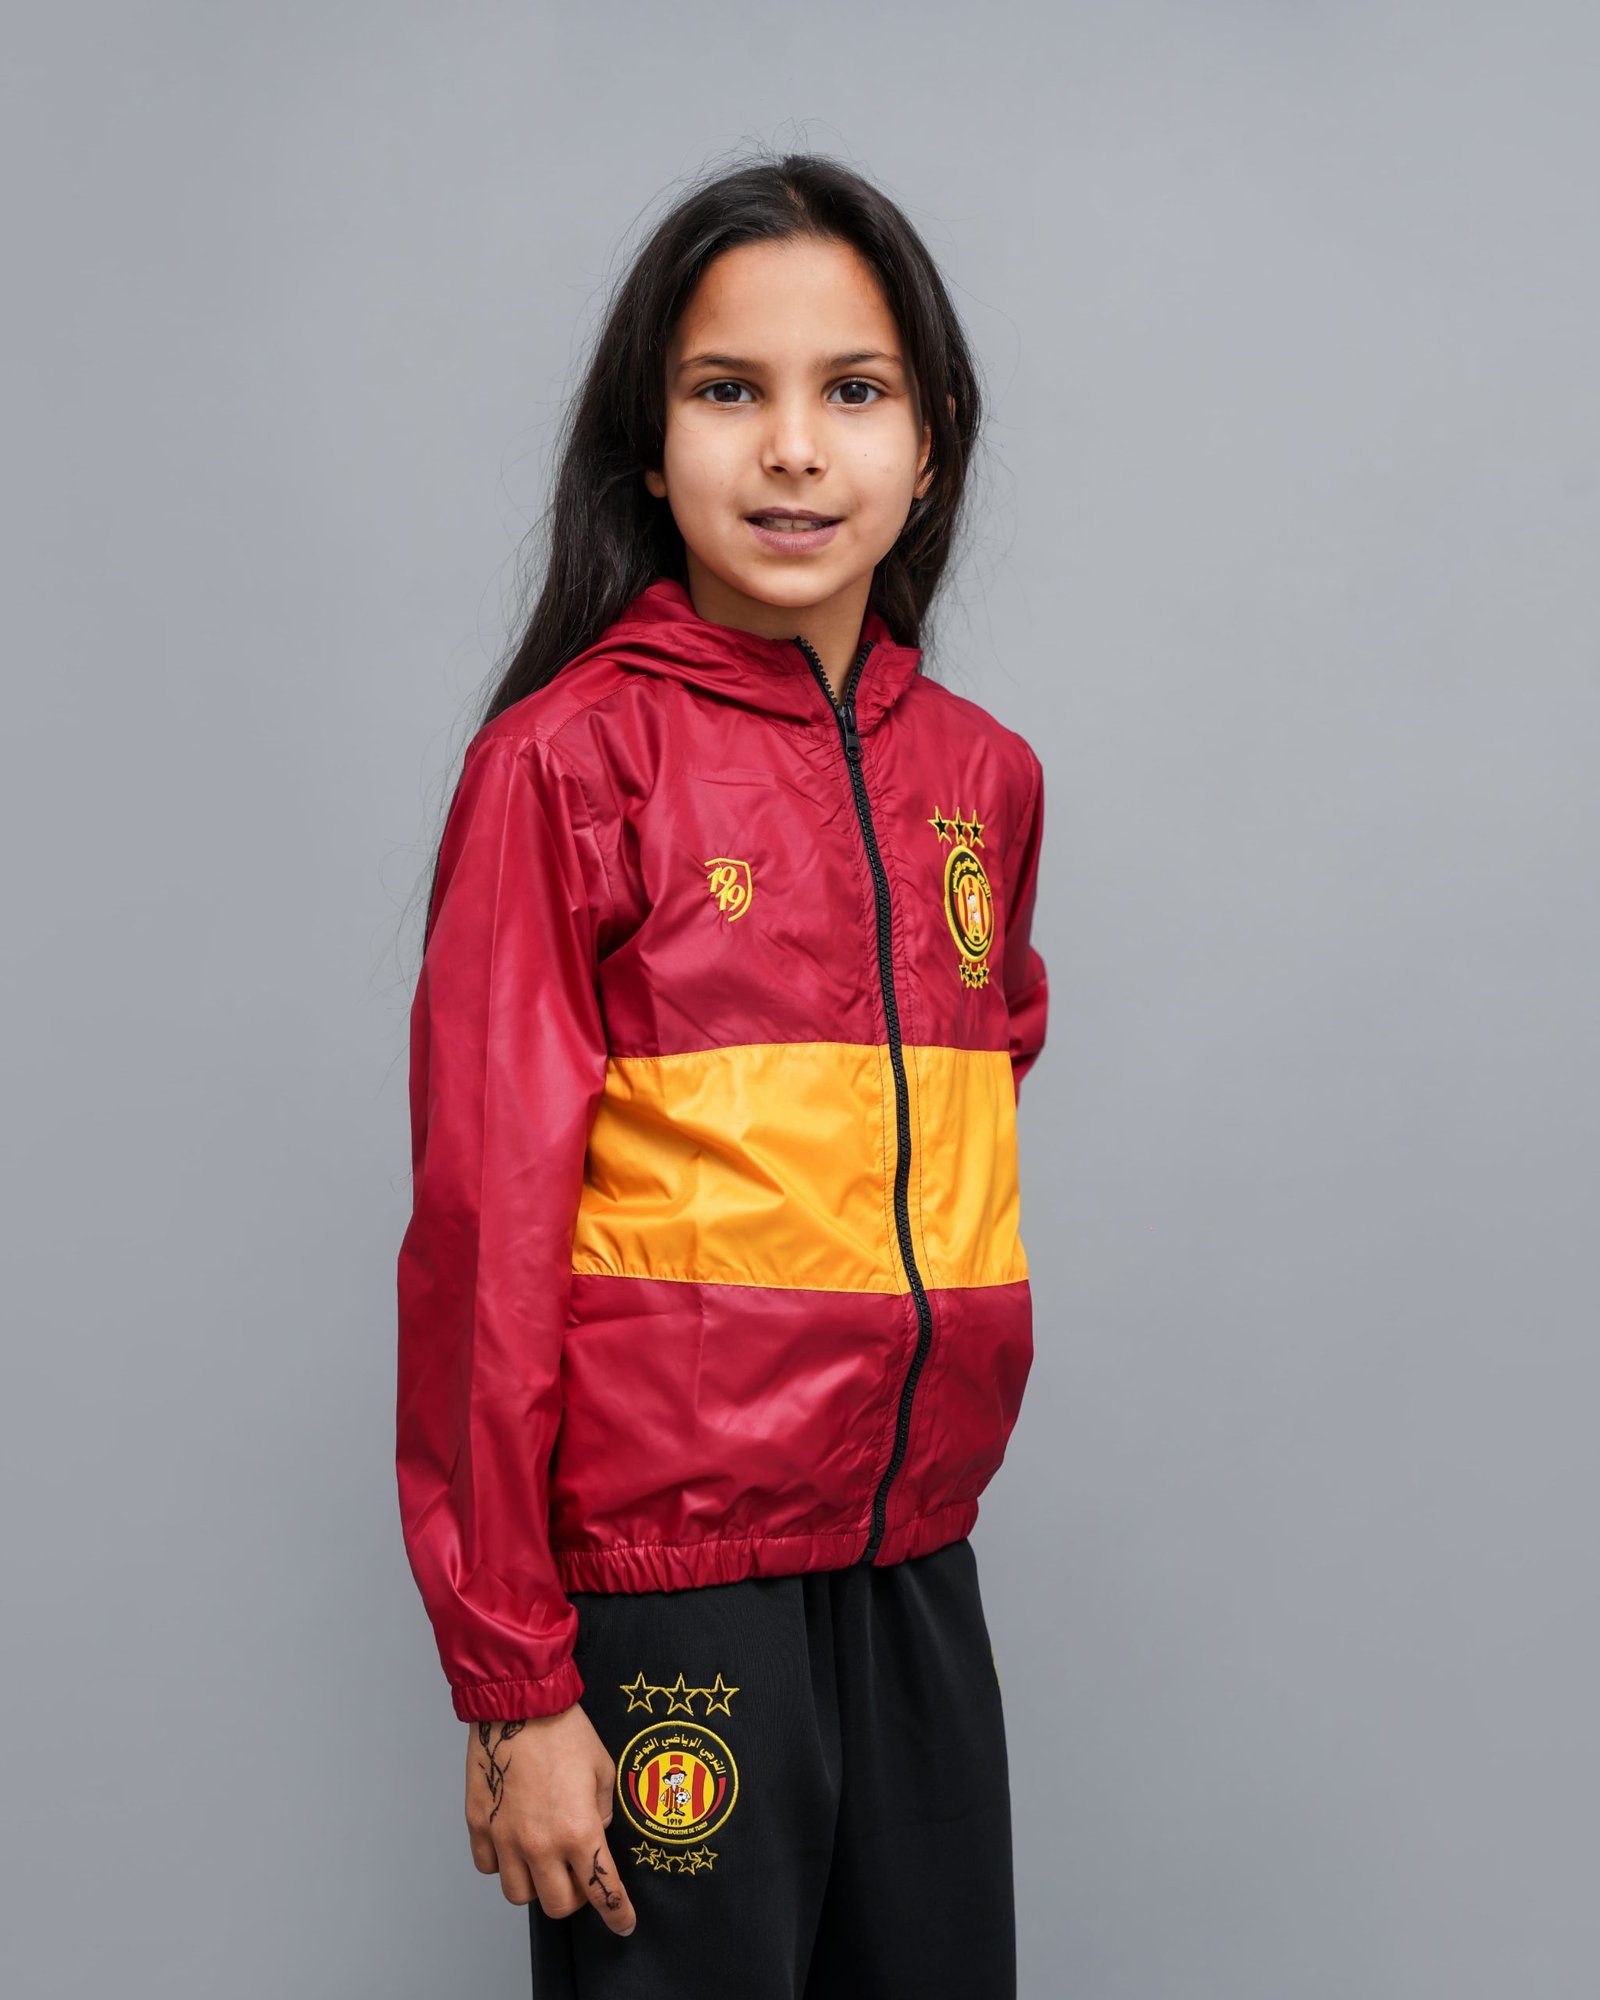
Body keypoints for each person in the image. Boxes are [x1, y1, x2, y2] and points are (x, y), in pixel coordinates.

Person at [395, 149, 1050, 1999]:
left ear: (931, 444)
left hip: (916, 1564)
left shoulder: (983, 780)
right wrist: (518, 1683)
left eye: (854, 390)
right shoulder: (568, 768)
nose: (793, 450)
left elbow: (960, 1124)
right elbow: (484, 1241)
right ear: (649, 443)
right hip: (672, 1594)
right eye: (727, 390)